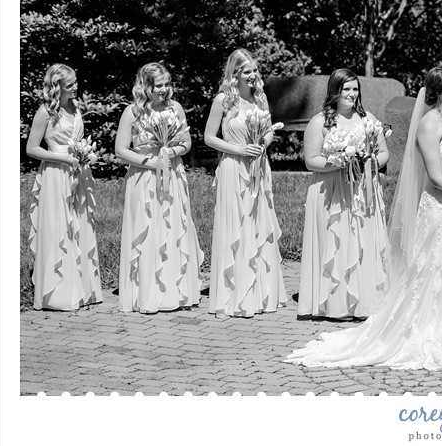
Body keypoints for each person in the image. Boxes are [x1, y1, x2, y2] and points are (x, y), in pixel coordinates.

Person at [286, 66, 442, 370]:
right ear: (440, 92)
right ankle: (432, 333)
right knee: (435, 268)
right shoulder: (428, 125)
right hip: (440, 205)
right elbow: (437, 178)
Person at [297, 68, 390, 320]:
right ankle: (337, 304)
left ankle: (365, 301)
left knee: (362, 242)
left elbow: (383, 153)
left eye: (355, 89)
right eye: (346, 89)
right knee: (337, 242)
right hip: (332, 189)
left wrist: (370, 162)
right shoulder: (320, 122)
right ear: (335, 91)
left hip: (363, 189)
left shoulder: (368, 119)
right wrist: (338, 163)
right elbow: (311, 160)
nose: (351, 94)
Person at [204, 49, 288, 319]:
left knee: (257, 223)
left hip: (259, 166)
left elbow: (268, 131)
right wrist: (239, 149)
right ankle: (231, 294)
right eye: (247, 71)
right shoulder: (223, 100)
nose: (253, 75)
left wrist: (263, 143)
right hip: (233, 166)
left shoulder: (260, 98)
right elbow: (209, 137)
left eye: (255, 70)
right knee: (236, 224)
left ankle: (260, 292)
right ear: (235, 73)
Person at [115, 62, 204, 313]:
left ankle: (175, 291)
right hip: (143, 177)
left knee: (172, 227)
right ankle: (147, 293)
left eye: (167, 84)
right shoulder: (132, 113)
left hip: (172, 174)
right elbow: (121, 149)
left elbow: (186, 142)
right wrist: (150, 162)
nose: (165, 89)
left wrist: (171, 153)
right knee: (147, 229)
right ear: (146, 87)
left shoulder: (175, 108)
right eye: (159, 85)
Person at [26, 64, 103, 311]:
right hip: (55, 173)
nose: (76, 87)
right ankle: (58, 293)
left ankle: (82, 288)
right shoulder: (45, 112)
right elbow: (31, 148)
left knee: (79, 225)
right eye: (70, 85)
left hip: (78, 172)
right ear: (57, 87)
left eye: (76, 82)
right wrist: (64, 159)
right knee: (59, 226)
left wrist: (83, 156)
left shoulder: (75, 106)